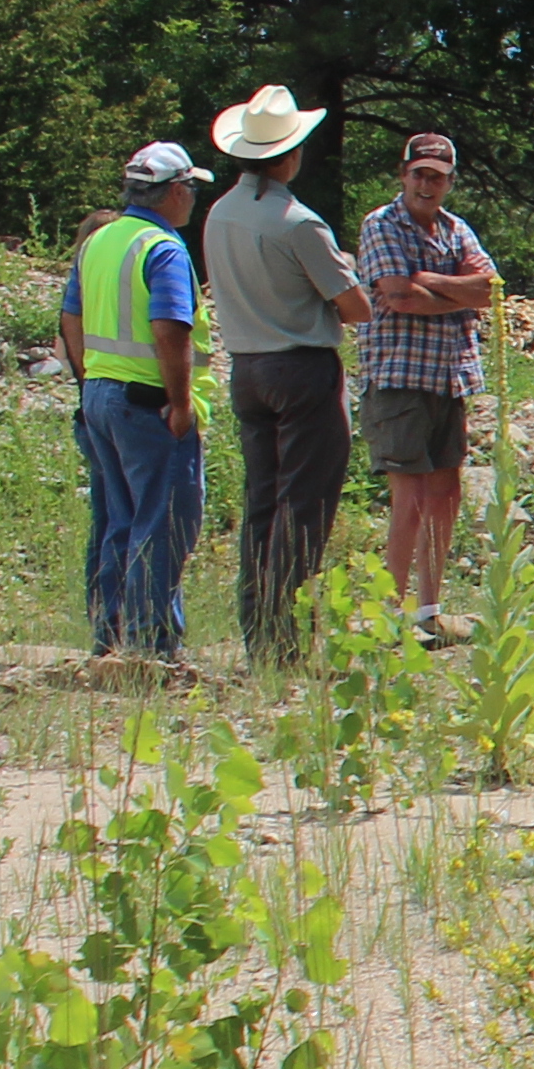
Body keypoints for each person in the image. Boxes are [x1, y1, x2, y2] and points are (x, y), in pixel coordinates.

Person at [195, 84, 368, 658]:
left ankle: (257, 630)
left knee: (262, 502)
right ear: (289, 155)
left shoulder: (218, 214)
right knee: (305, 504)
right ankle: (284, 635)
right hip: (301, 368)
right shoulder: (298, 223)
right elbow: (355, 308)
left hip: (246, 365)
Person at [57, 142, 209, 657]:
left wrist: (89, 378)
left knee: (117, 521)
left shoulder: (97, 242)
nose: (192, 198)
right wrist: (181, 402)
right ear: (170, 192)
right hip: (147, 404)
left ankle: (111, 636)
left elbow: (71, 317)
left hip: (100, 398)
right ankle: (153, 646)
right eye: (189, 187)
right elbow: (170, 327)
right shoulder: (161, 248)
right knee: (163, 523)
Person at [353, 130, 500, 634]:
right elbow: (397, 296)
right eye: (419, 174)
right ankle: (389, 616)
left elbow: (489, 289)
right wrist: (453, 289)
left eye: (437, 177)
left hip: (450, 378)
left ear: (449, 182)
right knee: (410, 498)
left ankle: (428, 612)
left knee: (446, 494)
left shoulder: (457, 230)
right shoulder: (381, 224)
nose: (426, 185)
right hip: (399, 375)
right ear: (404, 175)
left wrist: (430, 280)